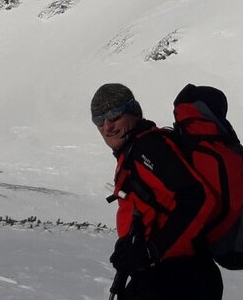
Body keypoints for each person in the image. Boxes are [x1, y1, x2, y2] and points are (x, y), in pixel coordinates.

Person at [92, 83, 223, 300]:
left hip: (179, 278)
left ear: (133, 112)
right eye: (99, 120)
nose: (107, 126)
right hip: (170, 275)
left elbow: (196, 196)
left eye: (114, 116)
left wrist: (151, 250)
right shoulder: (135, 150)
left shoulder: (149, 148)